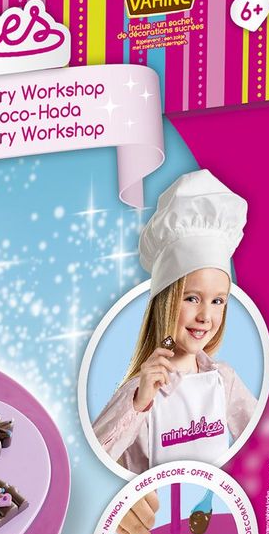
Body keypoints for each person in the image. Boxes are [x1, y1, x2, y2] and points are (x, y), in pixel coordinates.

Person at [92, 170, 257, 473]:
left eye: (217, 301)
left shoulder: (224, 380)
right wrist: (139, 403)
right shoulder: (140, 390)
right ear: (165, 302)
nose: (205, 316)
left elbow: (264, 443)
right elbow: (94, 462)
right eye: (192, 298)